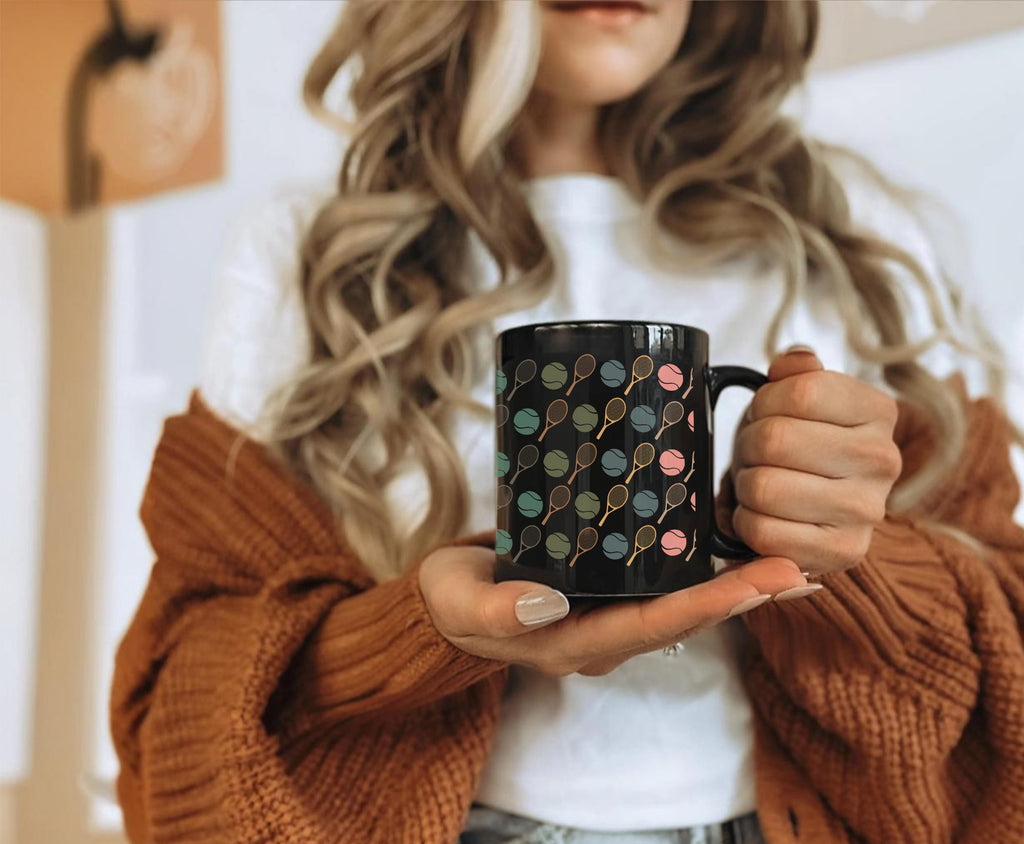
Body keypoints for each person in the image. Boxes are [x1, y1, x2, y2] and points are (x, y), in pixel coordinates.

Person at [109, 1, 1024, 842]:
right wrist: (414, 634)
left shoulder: (849, 235)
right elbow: (185, 682)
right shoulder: (314, 256)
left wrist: (846, 561)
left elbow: (1004, 655)